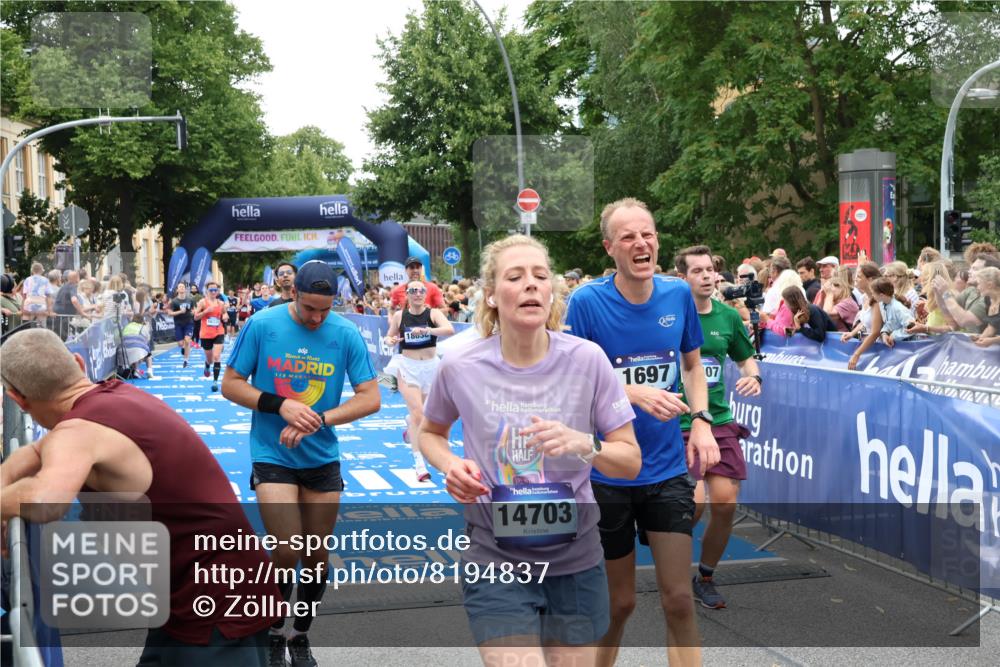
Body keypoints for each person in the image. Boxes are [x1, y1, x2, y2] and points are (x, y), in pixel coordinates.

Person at [419, 234, 641, 666]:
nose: (531, 285)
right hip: (495, 558)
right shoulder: (460, 367)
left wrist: (584, 444)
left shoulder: (588, 360)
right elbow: (430, 432)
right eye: (515, 276)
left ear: (553, 292)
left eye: (541, 276)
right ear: (490, 295)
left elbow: (630, 461)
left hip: (576, 560)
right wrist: (451, 464)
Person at [1, 328, 280, 666]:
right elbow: (27, 456)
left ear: (17, 399)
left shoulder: (77, 432)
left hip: (213, 604)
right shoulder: (114, 396)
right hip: (206, 593)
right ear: (77, 363)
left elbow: (46, 500)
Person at [564, 198, 719, 666]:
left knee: (678, 599)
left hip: (667, 469)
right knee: (619, 604)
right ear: (610, 247)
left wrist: (701, 422)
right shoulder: (587, 302)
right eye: (628, 236)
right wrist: (631, 395)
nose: (641, 243)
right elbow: (571, 383)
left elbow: (692, 366)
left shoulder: (676, 296)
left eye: (647, 234)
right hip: (608, 473)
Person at [221, 260, 380, 667]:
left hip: (321, 454)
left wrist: (319, 419)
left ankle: (300, 634)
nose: (317, 318)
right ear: (293, 294)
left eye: (325, 310)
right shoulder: (263, 324)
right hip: (271, 451)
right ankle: (274, 632)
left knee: (316, 553)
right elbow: (231, 384)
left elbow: (370, 397)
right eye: (309, 308)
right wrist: (282, 405)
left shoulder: (344, 332)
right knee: (288, 548)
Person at [674, 246, 762, 610]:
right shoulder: (667, 315)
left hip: (718, 420)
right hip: (676, 421)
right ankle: (672, 566)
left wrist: (754, 378)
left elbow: (747, 360)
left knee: (725, 502)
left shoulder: (727, 317)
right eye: (698, 271)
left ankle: (705, 576)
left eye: (710, 270)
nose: (707, 276)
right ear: (683, 278)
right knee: (691, 504)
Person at [384, 280, 454, 481]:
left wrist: (427, 331)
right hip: (407, 367)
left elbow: (449, 329)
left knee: (426, 415)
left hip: (431, 367)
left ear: (425, 294)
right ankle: (419, 464)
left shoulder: (433, 313)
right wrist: (391, 340)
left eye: (420, 291)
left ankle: (410, 425)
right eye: (412, 291)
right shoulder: (399, 316)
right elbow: (389, 337)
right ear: (407, 294)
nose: (417, 294)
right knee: (418, 414)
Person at [193, 280, 229, 392]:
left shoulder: (220, 303)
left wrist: (225, 316)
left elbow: (224, 313)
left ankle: (215, 381)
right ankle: (207, 365)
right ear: (207, 291)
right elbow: (196, 317)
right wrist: (205, 312)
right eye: (211, 290)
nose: (213, 292)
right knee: (210, 358)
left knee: (217, 357)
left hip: (218, 332)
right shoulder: (202, 302)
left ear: (218, 291)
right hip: (206, 334)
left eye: (215, 290)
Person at [871, 277, 914, 348]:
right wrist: (884, 333)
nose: (872, 296)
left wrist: (894, 335)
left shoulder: (898, 308)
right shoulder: (882, 304)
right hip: (896, 346)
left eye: (873, 293)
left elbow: (912, 327)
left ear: (881, 295)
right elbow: (889, 323)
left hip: (907, 346)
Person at [970, 267, 1000, 347]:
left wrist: (992, 341)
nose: (977, 287)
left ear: (990, 285)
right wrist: (980, 338)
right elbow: (991, 328)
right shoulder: (988, 300)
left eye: (979, 283)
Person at [168, 283, 196, 368]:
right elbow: (169, 313)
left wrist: (194, 312)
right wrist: (180, 312)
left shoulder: (190, 299)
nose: (182, 288)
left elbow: (194, 309)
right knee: (180, 344)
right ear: (177, 290)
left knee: (187, 340)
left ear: (185, 289)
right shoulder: (174, 301)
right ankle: (183, 347)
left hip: (189, 323)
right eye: (180, 287)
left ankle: (186, 361)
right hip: (178, 324)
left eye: (183, 287)